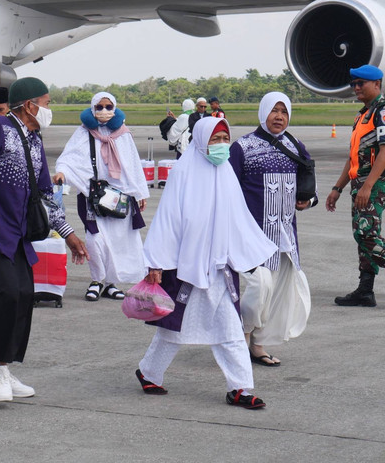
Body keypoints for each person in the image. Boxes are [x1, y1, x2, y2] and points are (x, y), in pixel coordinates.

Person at [0, 76, 89, 402]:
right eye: (47, 103)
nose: (48, 109)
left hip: (19, 235)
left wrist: (68, 234)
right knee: (6, 294)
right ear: (29, 105)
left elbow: (46, 194)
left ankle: (2, 369)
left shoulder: (34, 139)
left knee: (25, 294)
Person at [136, 117, 276, 409]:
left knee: (230, 330)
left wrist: (247, 254)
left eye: (225, 139)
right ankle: (149, 372)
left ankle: (240, 388)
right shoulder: (182, 173)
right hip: (186, 266)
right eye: (215, 140)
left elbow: (238, 217)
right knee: (174, 328)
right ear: (201, 140)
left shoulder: (226, 172)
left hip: (220, 269)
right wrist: (156, 262)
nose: (222, 146)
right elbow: (169, 220)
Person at [229, 92, 314, 366]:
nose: (279, 117)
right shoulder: (242, 146)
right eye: (274, 110)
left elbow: (309, 181)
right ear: (263, 112)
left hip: (285, 236)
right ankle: (240, 336)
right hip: (252, 235)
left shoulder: (295, 144)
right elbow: (227, 188)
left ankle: (258, 344)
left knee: (277, 291)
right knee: (259, 286)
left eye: (284, 111)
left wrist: (308, 200)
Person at [53, 91, 149, 301]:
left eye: (108, 107)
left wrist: (139, 192)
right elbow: (69, 158)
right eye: (99, 107)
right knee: (95, 239)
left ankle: (111, 283)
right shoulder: (84, 132)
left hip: (120, 198)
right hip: (93, 197)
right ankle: (96, 280)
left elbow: (133, 164)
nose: (104, 111)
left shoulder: (123, 134)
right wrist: (62, 172)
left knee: (118, 241)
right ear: (92, 108)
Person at [327, 64, 385, 307]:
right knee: (362, 237)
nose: (356, 87)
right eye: (354, 84)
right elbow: (353, 158)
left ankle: (365, 288)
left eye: (361, 83)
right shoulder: (363, 115)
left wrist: (368, 185)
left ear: (377, 85)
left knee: (366, 233)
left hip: (374, 181)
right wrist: (338, 188)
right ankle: (365, 289)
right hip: (360, 180)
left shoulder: (381, 111)